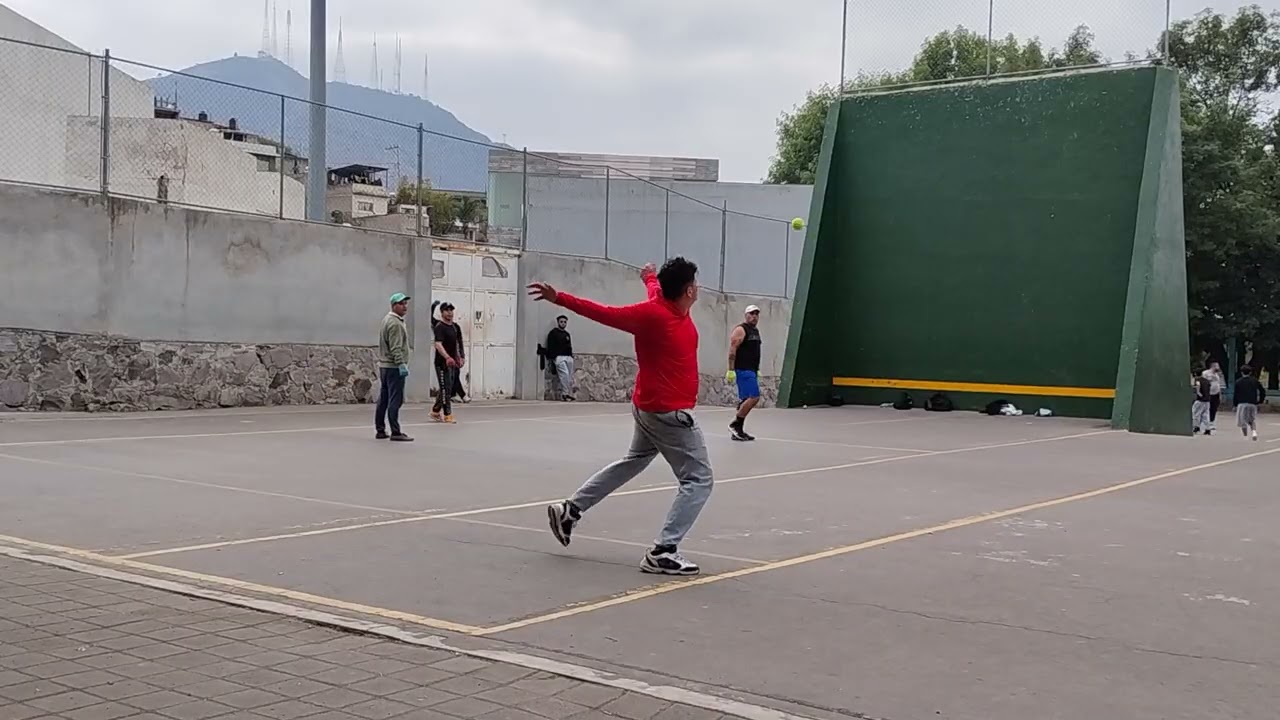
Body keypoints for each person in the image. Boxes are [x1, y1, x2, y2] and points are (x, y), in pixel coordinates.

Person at [531, 258, 711, 576]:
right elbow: (603, 312)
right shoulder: (651, 315)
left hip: (648, 409)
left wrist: (649, 275)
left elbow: (655, 287)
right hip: (667, 413)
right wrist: (558, 297)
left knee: (633, 461)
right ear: (688, 290)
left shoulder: (670, 303)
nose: (698, 287)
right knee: (698, 480)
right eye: (695, 283)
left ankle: (570, 510)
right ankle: (663, 550)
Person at [375, 293, 414, 442]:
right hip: (393, 367)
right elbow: (395, 347)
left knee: (384, 398)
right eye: (401, 304)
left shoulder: (387, 320)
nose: (405, 306)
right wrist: (401, 363)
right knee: (395, 399)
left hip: (385, 366)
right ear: (393, 305)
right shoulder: (395, 323)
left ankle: (380, 429)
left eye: (405, 303)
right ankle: (395, 431)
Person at [726, 305, 762, 442]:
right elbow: (732, 350)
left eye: (756, 314)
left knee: (745, 400)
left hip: (751, 369)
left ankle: (738, 431)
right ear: (746, 315)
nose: (754, 316)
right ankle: (735, 424)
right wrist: (731, 369)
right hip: (743, 369)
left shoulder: (755, 331)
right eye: (751, 314)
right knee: (754, 397)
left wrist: (756, 369)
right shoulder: (741, 329)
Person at [431, 302, 465, 423]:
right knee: (446, 388)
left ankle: (435, 411)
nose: (450, 313)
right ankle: (447, 415)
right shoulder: (440, 327)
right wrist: (447, 357)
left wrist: (461, 357)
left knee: (447, 387)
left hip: (453, 363)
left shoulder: (456, 327)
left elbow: (459, 343)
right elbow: (438, 344)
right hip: (442, 363)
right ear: (442, 312)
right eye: (447, 310)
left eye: (451, 310)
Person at [546, 315, 576, 401]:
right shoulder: (553, 333)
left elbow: (569, 346)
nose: (563, 323)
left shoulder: (567, 334)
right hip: (559, 357)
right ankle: (564, 393)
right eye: (561, 322)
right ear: (558, 322)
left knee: (569, 376)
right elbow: (550, 345)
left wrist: (570, 356)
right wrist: (552, 357)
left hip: (568, 357)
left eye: (564, 322)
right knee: (564, 374)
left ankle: (568, 393)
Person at [1233, 365, 1266, 441]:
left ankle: (1245, 436)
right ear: (1250, 372)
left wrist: (1235, 404)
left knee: (1242, 420)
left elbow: (1236, 394)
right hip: (1252, 403)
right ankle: (1254, 432)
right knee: (1252, 419)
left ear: (1241, 372)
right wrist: (1260, 401)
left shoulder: (1238, 382)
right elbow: (1262, 391)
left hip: (1242, 403)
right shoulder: (1255, 381)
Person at [1204, 362, 1226, 429]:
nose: (1218, 368)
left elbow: (1218, 385)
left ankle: (1211, 422)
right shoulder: (1206, 373)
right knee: (1207, 408)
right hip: (1208, 393)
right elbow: (1203, 382)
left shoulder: (1217, 375)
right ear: (1212, 366)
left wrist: (1220, 395)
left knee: (1214, 408)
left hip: (1216, 393)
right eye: (1217, 366)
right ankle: (1205, 423)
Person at [1192, 368, 1213, 436]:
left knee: (1196, 413)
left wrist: (1199, 394)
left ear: (1195, 374)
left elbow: (1198, 386)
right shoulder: (1207, 381)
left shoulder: (1197, 380)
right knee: (1206, 415)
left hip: (1200, 400)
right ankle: (1207, 429)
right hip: (1207, 400)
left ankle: (1196, 427)